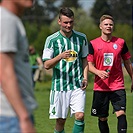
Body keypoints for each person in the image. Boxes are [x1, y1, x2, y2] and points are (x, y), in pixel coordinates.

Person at [42, 7, 89, 133]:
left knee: (80, 115)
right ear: (59, 22)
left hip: (77, 85)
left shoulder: (81, 38)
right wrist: (60, 56)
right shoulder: (51, 40)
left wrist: (85, 77)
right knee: (60, 121)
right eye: (66, 22)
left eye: (71, 22)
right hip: (59, 86)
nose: (69, 25)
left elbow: (85, 59)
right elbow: (46, 65)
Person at [87, 14, 133, 133]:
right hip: (101, 87)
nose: (109, 26)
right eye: (106, 24)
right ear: (100, 26)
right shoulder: (93, 44)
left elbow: (127, 62)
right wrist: (98, 72)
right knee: (102, 118)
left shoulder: (121, 43)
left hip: (117, 85)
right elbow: (89, 65)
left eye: (111, 24)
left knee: (121, 113)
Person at [0, 0, 38, 133]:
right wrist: (24, 117)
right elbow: (4, 72)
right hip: (11, 117)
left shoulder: (10, 20)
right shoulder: (6, 20)